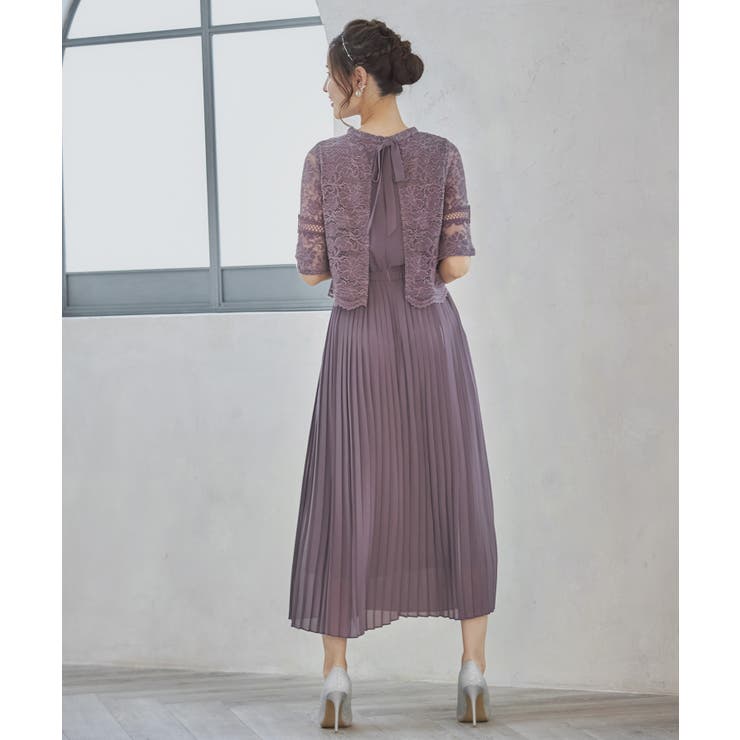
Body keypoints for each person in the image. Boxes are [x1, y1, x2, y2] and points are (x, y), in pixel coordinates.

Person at [288, 18, 498, 731]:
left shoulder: (322, 161)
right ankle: (473, 671)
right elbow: (455, 264)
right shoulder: (443, 155)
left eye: (330, 77)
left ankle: (336, 680)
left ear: (357, 79)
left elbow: (312, 271)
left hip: (359, 337)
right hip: (431, 335)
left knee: (347, 492)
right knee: (455, 488)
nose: (324, 90)